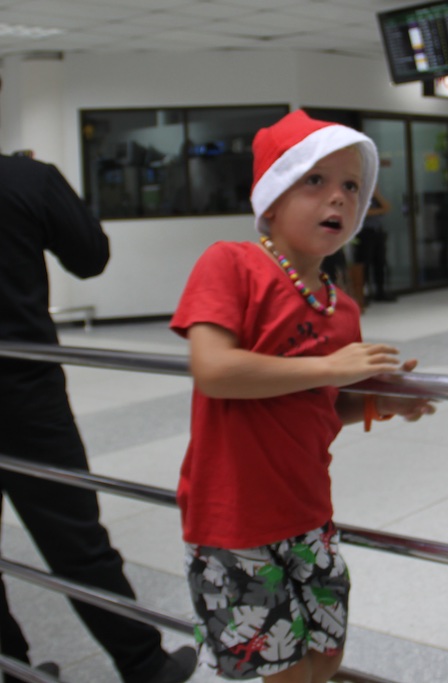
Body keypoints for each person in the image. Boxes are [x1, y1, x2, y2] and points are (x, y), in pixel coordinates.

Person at [170, 110, 435, 683]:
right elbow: (213, 369)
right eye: (314, 181)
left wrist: (379, 402)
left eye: (350, 186)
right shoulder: (231, 264)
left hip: (309, 515)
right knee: (283, 675)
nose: (336, 199)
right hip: (234, 519)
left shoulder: (343, 310)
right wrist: (328, 365)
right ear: (270, 197)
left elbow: (320, 404)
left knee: (325, 660)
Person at [0, 78, 197, 683]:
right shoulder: (26, 180)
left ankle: (14, 670)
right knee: (73, 535)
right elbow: (91, 256)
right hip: (21, 391)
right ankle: (142, 664)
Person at [354, 188, 396, 302]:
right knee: (364, 263)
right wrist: (380, 210)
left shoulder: (375, 198)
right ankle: (364, 294)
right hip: (364, 233)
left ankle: (380, 291)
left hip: (377, 231)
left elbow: (387, 207)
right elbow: (362, 212)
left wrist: (377, 194)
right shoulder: (359, 196)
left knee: (380, 262)